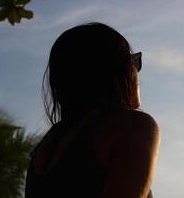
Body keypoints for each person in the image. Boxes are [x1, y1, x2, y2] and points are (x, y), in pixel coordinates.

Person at [25, 22, 161, 198]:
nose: (136, 72)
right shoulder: (134, 126)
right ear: (118, 71)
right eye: (133, 61)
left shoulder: (46, 146)